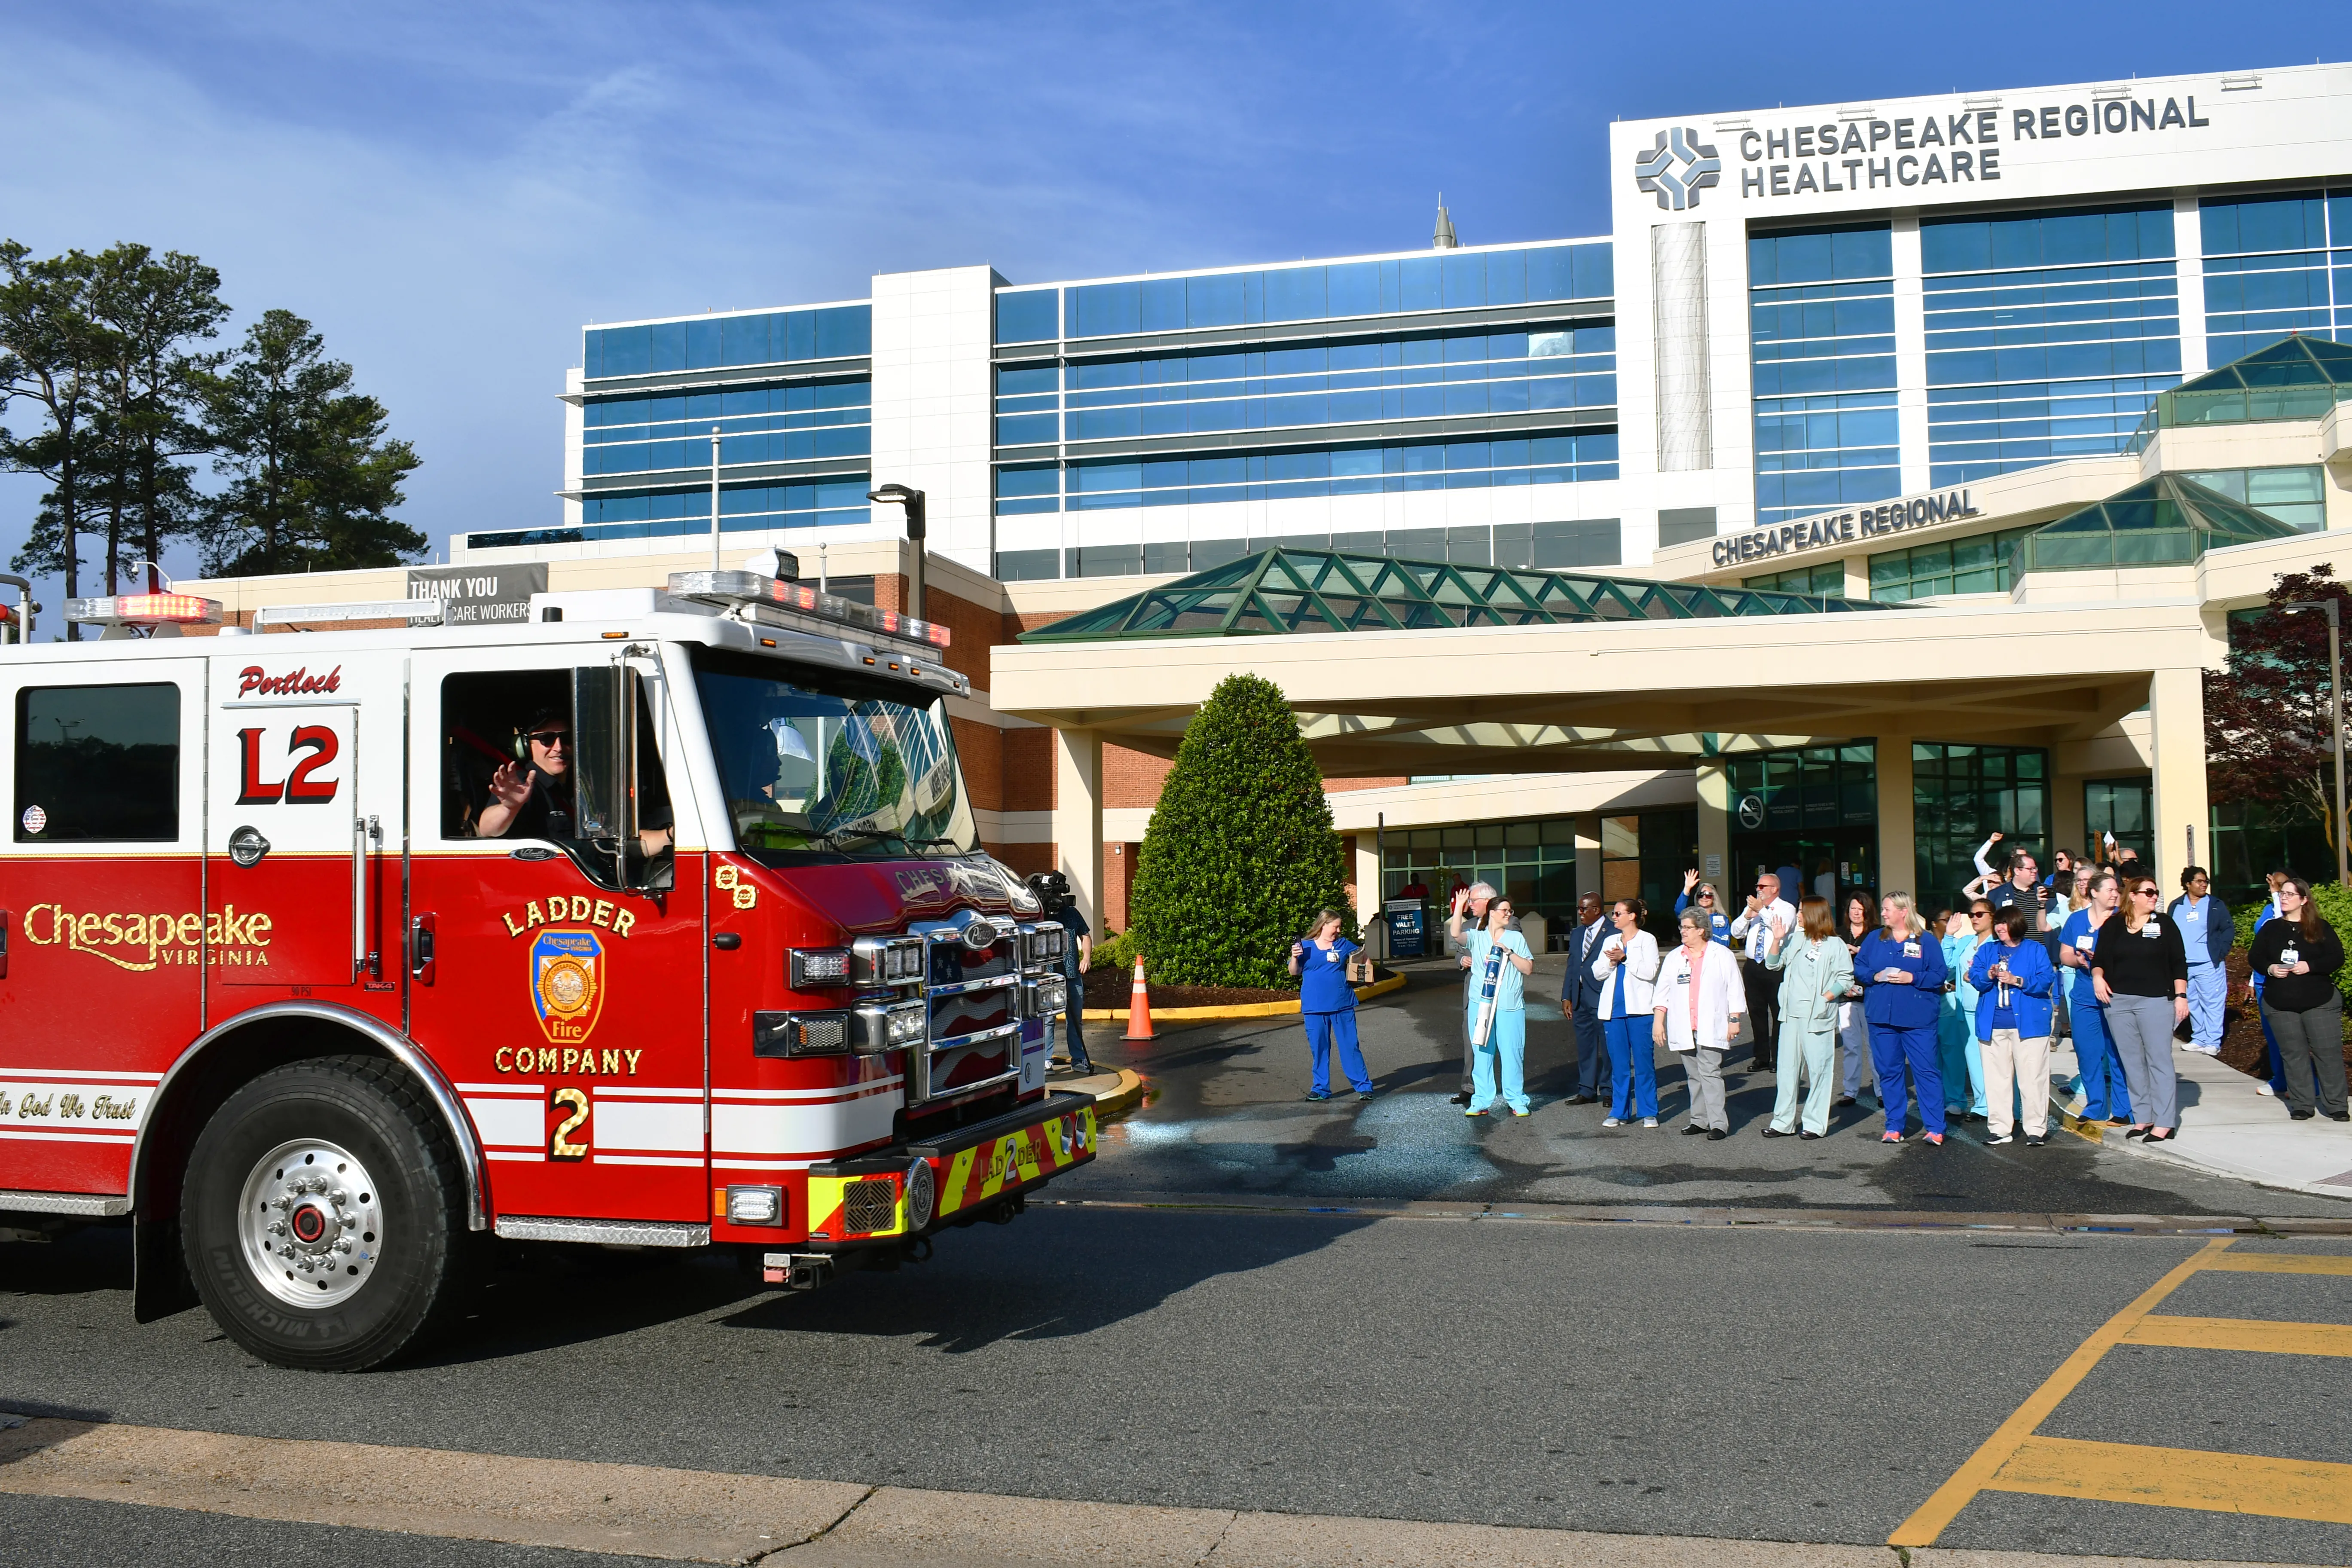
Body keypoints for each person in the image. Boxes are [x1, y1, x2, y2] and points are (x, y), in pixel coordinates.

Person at [2092, 874, 2188, 1143]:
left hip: (2156, 1000)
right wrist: (2098, 977)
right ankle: (2143, 1117)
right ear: (2132, 896)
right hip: (2118, 1002)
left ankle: (2165, 1122)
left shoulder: (2165, 924)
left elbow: (2179, 963)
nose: (2154, 897)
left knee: (2159, 1060)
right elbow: (2099, 960)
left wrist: (2181, 996)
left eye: (2156, 892)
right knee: (2132, 1062)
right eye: (2148, 892)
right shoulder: (2113, 925)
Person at [2248, 876, 2350, 1123]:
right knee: (2294, 1055)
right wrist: (2270, 968)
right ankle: (2302, 1104)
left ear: (2304, 900)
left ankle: (2336, 1105)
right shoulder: (2271, 928)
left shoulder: (2320, 927)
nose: (2284, 898)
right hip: (2281, 1003)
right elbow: (2255, 957)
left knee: (2328, 1053)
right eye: (2282, 894)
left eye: (2289, 895)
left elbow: (2337, 958)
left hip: (2319, 1001)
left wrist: (2310, 966)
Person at [1856, 891, 1950, 1145]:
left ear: (1903, 911)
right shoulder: (1875, 939)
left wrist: (1913, 978)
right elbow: (1860, 967)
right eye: (1883, 909)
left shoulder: (1926, 941)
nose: (1883, 913)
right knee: (1889, 1073)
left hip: (1917, 1020)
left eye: (1887, 909)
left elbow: (1939, 974)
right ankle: (1894, 1126)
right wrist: (1874, 976)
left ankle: (1935, 1128)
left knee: (1926, 1072)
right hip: (1881, 1018)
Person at [1761, 895, 1854, 1139]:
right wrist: (1777, 939)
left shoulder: (1836, 945)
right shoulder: (1795, 939)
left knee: (1819, 1070)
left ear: (1814, 914)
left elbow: (1846, 978)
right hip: (1791, 1016)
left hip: (1818, 1016)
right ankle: (1783, 1122)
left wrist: (1828, 996)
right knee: (1787, 1070)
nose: (1798, 915)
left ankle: (1814, 1124)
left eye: (1802, 911)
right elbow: (1773, 965)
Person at [1653, 908, 1745, 1139]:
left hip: (1712, 1023)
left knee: (1710, 1072)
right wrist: (1659, 1022)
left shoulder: (1722, 955)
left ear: (1702, 930)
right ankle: (1699, 1120)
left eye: (1687, 928)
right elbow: (1662, 993)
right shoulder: (1675, 957)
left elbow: (1735, 989)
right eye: (1682, 927)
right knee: (1693, 1075)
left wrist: (1734, 1020)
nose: (1683, 932)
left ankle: (1718, 1124)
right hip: (1684, 1024)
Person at [1969, 906, 2057, 1146]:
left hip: (2029, 1025)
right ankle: (1999, 1129)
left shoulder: (2036, 950)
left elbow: (2046, 980)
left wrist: (2018, 980)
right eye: (1997, 923)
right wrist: (1988, 975)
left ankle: (2035, 1130)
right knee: (1997, 1080)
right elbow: (1975, 978)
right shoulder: (1987, 950)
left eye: (2004, 923)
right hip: (1993, 1024)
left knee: (2032, 1078)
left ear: (2016, 924)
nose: (1999, 928)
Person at [2059, 871, 2126, 1126]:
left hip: (2117, 995)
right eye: (2109, 890)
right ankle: (2096, 1106)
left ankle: (2123, 1109)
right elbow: (2064, 954)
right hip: (2085, 996)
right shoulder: (2076, 920)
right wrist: (2077, 959)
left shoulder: (2123, 919)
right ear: (2094, 893)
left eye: (2116, 890)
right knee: (2088, 1053)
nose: (2115, 894)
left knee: (2117, 1052)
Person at [1463, 898, 1536, 1117]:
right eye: (1505, 910)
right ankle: (1481, 1101)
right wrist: (1459, 908)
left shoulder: (1516, 938)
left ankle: (1516, 1099)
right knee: (1483, 1052)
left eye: (1510, 910)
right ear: (1492, 913)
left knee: (1512, 1052)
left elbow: (1528, 969)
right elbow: (1456, 933)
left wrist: (1509, 953)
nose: (1509, 914)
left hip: (1510, 1006)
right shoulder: (1478, 937)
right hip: (1482, 1005)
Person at [1291, 908, 1372, 1102]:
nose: (1338, 931)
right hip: (1314, 1008)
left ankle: (1364, 1087)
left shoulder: (1343, 945)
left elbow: (1364, 957)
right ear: (1323, 925)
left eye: (1339, 927)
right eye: (1335, 927)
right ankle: (1320, 1089)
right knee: (1319, 1049)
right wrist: (1294, 957)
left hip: (1342, 1005)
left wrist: (1367, 975)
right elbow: (1294, 972)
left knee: (1350, 1047)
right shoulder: (1305, 946)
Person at [1594, 898, 1662, 1128]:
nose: (1614, 917)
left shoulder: (1647, 940)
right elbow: (1597, 972)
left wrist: (1625, 958)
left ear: (1632, 916)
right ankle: (1619, 1112)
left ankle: (1648, 1112)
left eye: (1618, 913)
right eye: (1614, 914)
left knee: (1644, 1064)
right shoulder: (1611, 940)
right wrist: (1611, 963)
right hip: (1614, 1013)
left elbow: (1651, 971)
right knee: (1619, 1065)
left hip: (1641, 1012)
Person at [1445, 882, 1511, 1106]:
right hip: (1473, 994)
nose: (1470, 905)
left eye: (1473, 901)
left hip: (1500, 995)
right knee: (1472, 1043)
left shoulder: (1509, 923)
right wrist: (1461, 960)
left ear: (1487, 902)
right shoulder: (1471, 925)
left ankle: (1511, 1090)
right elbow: (1458, 949)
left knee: (1505, 1044)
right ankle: (1469, 1087)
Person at [1028, 871, 1096, 1076]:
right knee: (1048, 1019)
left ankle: (1079, 1060)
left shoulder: (1072, 913)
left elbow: (1086, 936)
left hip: (1072, 975)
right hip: (1048, 976)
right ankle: (1046, 1060)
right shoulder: (1039, 915)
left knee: (1075, 1019)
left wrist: (1087, 958)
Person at [1729, 871, 1797, 1073]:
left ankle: (1778, 1057)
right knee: (1757, 1013)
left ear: (1774, 889)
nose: (1758, 890)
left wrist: (1763, 911)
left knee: (1778, 1013)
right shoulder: (1754, 909)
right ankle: (1761, 1057)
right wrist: (1747, 916)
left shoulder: (1787, 908)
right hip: (1753, 966)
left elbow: (1782, 929)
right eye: (1757, 887)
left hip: (1775, 966)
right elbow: (1736, 932)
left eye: (1762, 887)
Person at [477, 707, 578, 840]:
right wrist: (508, 809)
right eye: (547, 739)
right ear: (525, 746)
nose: (559, 748)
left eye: (566, 738)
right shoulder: (522, 784)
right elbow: (487, 829)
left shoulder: (581, 784)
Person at [1940, 902, 1992, 1125]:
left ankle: (1989, 1106)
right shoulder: (1967, 942)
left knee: (1988, 1061)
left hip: (1989, 1008)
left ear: (1993, 916)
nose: (1975, 918)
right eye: (1972, 914)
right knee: (1972, 1060)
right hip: (1965, 1009)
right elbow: (1948, 966)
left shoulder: (1997, 943)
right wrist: (1949, 936)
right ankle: (1979, 1104)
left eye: (1980, 914)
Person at [2170, 866, 2230, 1057]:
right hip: (2185, 965)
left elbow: (2227, 930)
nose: (2204, 884)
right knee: (2193, 1002)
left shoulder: (2215, 905)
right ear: (2188, 884)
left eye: (2206, 881)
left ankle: (2213, 1041)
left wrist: (2220, 953)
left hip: (2208, 962)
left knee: (2212, 1002)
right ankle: (2200, 1038)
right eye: (2199, 881)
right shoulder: (2176, 906)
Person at [2247, 872, 2294, 1099]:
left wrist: (2278, 894)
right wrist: (2250, 981)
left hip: (2282, 980)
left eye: (2281, 883)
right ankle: (2282, 1080)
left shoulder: (2288, 910)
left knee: (2287, 1034)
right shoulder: (2269, 909)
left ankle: (2298, 1082)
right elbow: (2261, 945)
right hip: (2261, 979)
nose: (2273, 886)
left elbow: (2281, 924)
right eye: (2274, 883)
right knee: (2272, 1034)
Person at [1563, 892, 1613, 1104]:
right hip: (1580, 998)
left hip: (1602, 997)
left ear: (1597, 910)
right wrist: (1567, 996)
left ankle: (1610, 1090)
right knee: (1586, 1046)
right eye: (1579, 909)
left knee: (1609, 1047)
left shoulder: (1613, 932)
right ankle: (1587, 1090)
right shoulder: (1577, 934)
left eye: (1584, 909)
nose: (1580, 913)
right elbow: (1573, 965)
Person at [1835, 892, 1876, 1107]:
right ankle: (1850, 1091)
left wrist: (1858, 951)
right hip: (1846, 996)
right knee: (1851, 1047)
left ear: (1868, 911)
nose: (1856, 913)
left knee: (1874, 1046)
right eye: (1853, 909)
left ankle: (1881, 1092)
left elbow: (1879, 961)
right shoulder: (1838, 933)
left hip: (1871, 996)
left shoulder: (1877, 934)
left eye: (1860, 909)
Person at [1985, 848, 2050, 934]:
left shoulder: (2046, 891)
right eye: (2030, 869)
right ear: (2017, 871)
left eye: (2035, 868)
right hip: (2011, 946)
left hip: (2042, 946)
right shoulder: (1996, 895)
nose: (2035, 872)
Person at [1675, 870, 1732, 945]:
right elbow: (1679, 911)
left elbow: (1725, 943)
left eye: (1708, 895)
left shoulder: (1722, 918)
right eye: (1701, 895)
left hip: (1714, 953)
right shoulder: (1692, 916)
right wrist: (1687, 888)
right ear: (1697, 897)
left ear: (1714, 898)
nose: (1704, 898)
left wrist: (1703, 934)